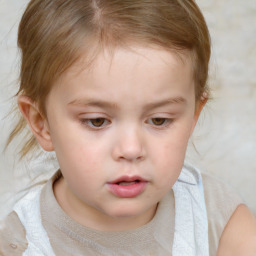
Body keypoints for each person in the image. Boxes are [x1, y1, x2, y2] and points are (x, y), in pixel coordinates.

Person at [0, 0, 255, 255]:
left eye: (159, 120)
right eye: (97, 121)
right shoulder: (21, 245)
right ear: (40, 122)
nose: (131, 149)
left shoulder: (218, 221)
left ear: (193, 117)